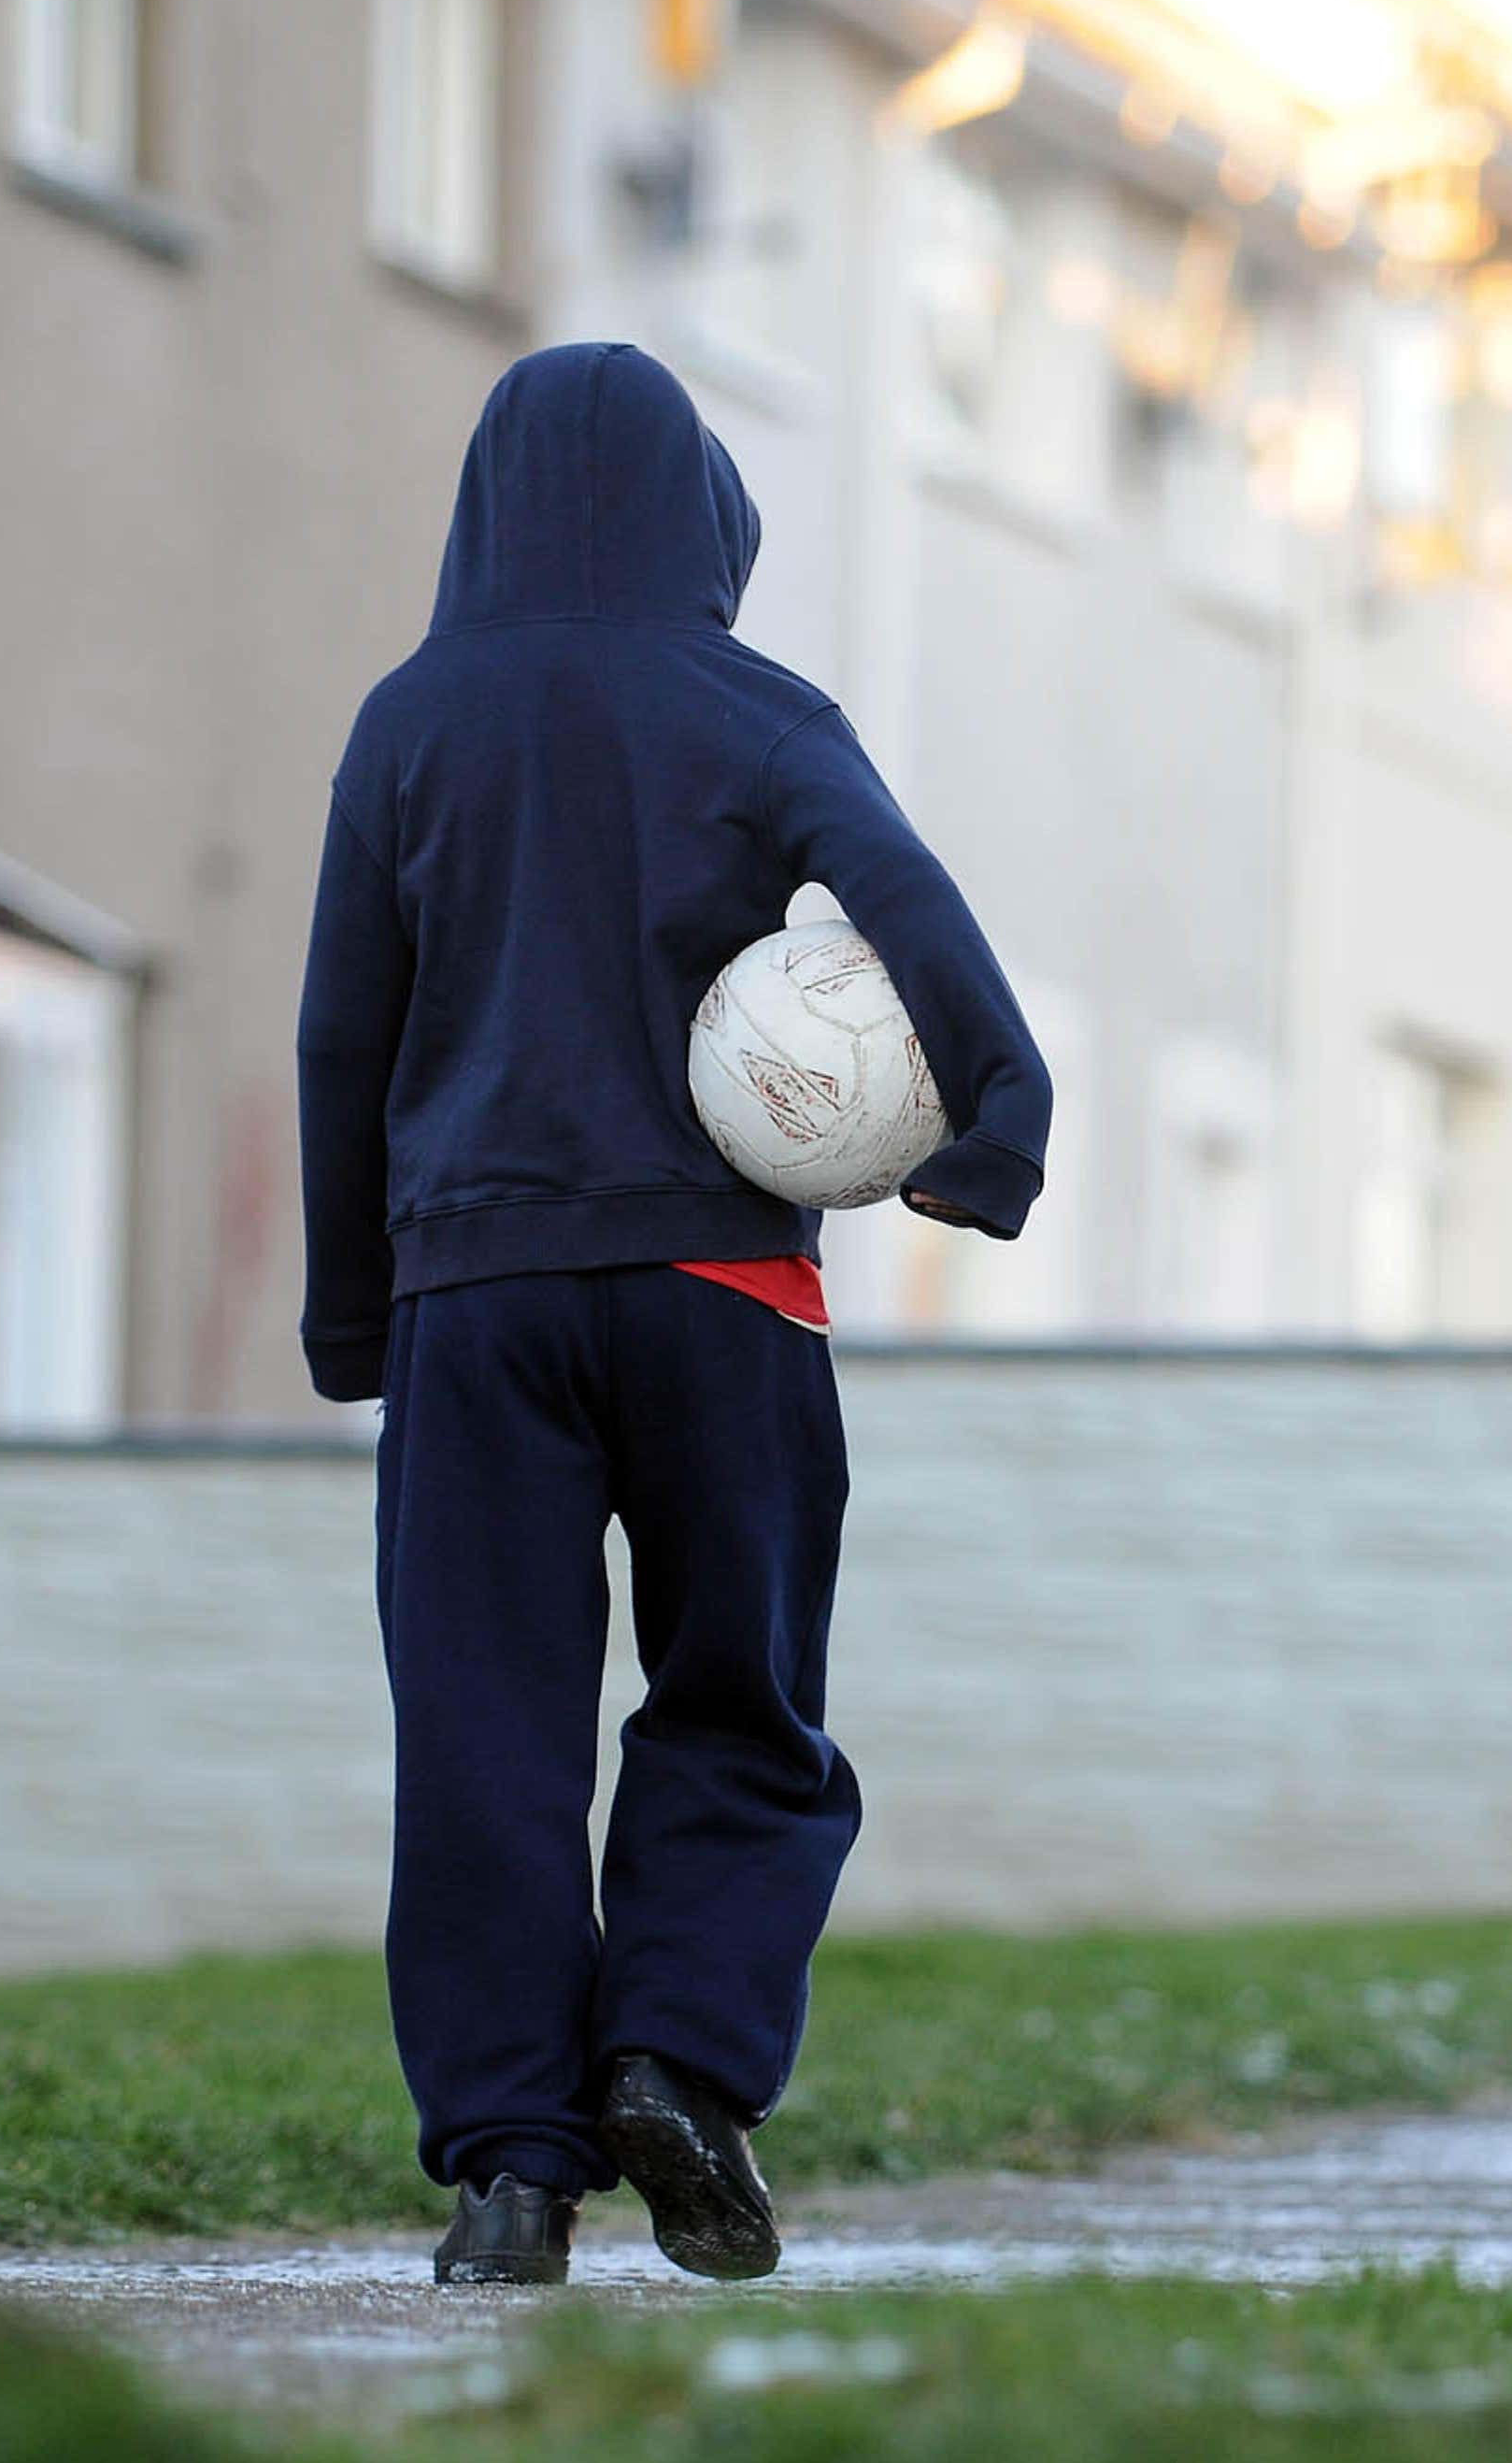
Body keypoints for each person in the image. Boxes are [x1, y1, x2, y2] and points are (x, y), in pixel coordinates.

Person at [293, 343, 1050, 2285]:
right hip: (723, 1286)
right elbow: (908, 899)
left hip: (476, 1294)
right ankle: (680, 2060)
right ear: (699, 517)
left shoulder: (407, 724)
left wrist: (349, 1308)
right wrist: (992, 1127)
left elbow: (339, 1033)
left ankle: (510, 2173)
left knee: (485, 1730)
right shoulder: (754, 706)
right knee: (738, 1695)